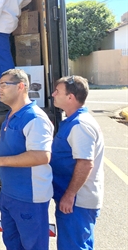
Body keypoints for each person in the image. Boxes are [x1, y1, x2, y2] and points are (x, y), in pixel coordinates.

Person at [0, 69, 53, 249]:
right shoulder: (12, 114)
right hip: (10, 194)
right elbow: (20, 140)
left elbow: (42, 155)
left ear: (20, 87)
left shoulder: (35, 118)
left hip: (29, 198)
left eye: (4, 85)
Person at [50, 75, 104, 249]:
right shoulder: (71, 122)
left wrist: (69, 195)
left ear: (70, 97)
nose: (52, 94)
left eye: (57, 91)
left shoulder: (80, 125)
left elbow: (85, 163)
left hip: (77, 202)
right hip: (74, 200)